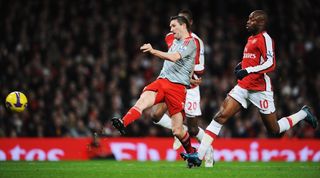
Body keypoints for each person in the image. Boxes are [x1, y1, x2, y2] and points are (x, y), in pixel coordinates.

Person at [181, 10, 318, 168]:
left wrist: (248, 70)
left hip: (260, 90)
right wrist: (242, 65)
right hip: (243, 87)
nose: (248, 21)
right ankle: (199, 156)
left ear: (261, 23)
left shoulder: (265, 38)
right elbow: (252, 60)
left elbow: (270, 63)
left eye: (252, 19)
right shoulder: (250, 39)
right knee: (220, 117)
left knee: (275, 130)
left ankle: (303, 113)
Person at [112, 15, 197, 154]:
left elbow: (174, 57)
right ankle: (123, 122)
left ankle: (192, 152)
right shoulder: (171, 38)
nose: (171, 29)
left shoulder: (191, 43)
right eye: (170, 26)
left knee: (177, 131)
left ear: (184, 26)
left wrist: (153, 51)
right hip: (162, 81)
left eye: (174, 26)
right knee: (143, 100)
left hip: (177, 88)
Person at [150, 9, 214, 167]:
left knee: (193, 130)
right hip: (172, 84)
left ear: (189, 23)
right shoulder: (169, 37)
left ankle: (208, 148)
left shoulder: (196, 41)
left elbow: (199, 65)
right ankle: (179, 128)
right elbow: (171, 57)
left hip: (189, 87)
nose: (177, 26)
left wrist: (192, 77)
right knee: (155, 114)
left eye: (183, 22)